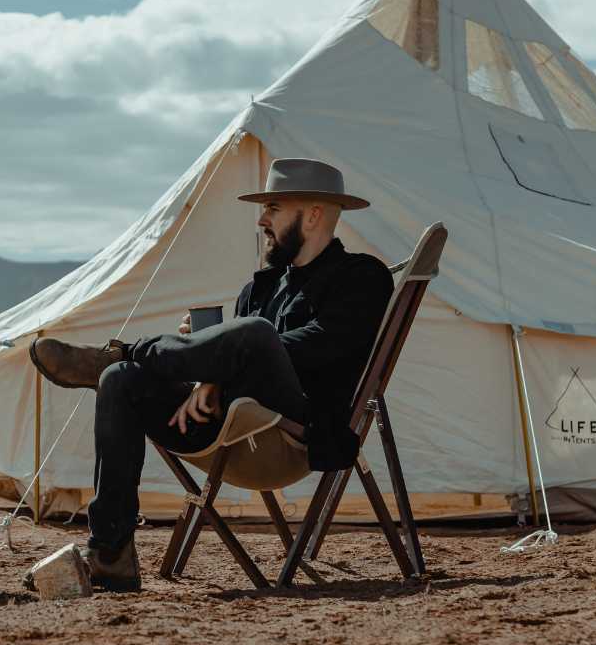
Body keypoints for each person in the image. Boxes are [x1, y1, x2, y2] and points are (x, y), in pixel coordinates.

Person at [27, 158, 394, 592]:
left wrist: (223, 362)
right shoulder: (259, 288)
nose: (262, 220)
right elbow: (243, 353)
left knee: (255, 333)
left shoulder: (363, 277)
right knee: (121, 381)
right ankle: (110, 553)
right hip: (223, 428)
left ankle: (125, 352)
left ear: (313, 214)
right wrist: (209, 375)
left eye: (273, 207)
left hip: (293, 432)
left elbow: (314, 346)